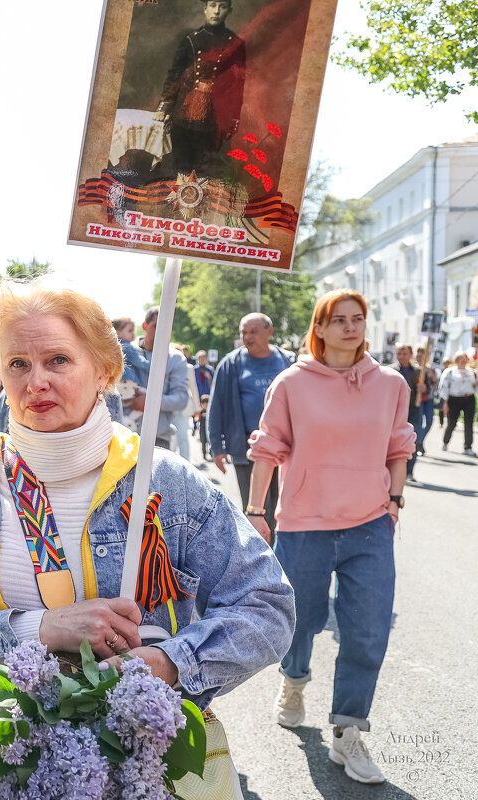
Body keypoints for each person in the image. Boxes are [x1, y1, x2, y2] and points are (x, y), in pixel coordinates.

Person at [0, 277, 294, 799]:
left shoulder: (165, 482)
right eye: (17, 364)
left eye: (58, 360)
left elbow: (267, 605)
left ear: (105, 370)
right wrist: (39, 629)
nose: (36, 382)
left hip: (147, 767)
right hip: (0, 768)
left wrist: (171, 664)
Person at [245, 289, 414, 785]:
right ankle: (293, 681)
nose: (349, 327)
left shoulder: (391, 383)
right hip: (304, 525)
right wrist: (257, 510)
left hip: (369, 524)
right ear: (318, 328)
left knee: (367, 630)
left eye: (357, 319)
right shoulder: (292, 383)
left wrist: (395, 500)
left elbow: (398, 444)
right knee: (300, 622)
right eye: (337, 320)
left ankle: (347, 731)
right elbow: (268, 448)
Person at [206, 312, 295, 531]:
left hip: (286, 447)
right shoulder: (231, 364)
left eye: (253, 332)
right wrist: (217, 446)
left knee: (285, 507)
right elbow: (216, 406)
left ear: (270, 332)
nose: (248, 337)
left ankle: (280, 556)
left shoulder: (287, 361)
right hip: (246, 448)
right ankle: (261, 559)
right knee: (255, 510)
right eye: (244, 332)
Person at [154, 0, 246, 176]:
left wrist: (233, 118)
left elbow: (238, 84)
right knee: (181, 168)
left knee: (205, 173)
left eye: (222, 6)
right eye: (212, 5)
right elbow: (175, 74)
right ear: (205, 9)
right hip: (183, 114)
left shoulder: (236, 44)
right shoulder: (190, 39)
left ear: (229, 10)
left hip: (214, 119)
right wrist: (165, 105)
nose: (217, 11)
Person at [135, 306, 190, 449]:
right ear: (145, 326)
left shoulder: (176, 359)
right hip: (123, 438)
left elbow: (181, 399)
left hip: (159, 440)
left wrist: (150, 402)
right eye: (156, 326)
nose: (161, 332)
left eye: (166, 327)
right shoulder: (124, 352)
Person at [438, 351, 477, 455]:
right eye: (461, 359)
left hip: (468, 399)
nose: (463, 361)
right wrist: (445, 402)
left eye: (465, 359)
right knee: (452, 422)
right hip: (454, 399)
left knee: (469, 423)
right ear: (457, 360)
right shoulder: (450, 372)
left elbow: (475, 387)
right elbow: (444, 387)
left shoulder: (471, 372)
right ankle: (445, 441)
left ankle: (468, 446)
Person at [393, 344, 421, 479]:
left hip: (413, 408)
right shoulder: (390, 371)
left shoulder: (418, 371)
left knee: (412, 439)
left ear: (411, 355)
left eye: (405, 354)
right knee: (395, 440)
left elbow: (428, 391)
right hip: (394, 409)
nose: (402, 357)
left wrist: (424, 388)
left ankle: (409, 471)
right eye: (399, 353)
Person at [412, 347, 436, 455]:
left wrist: (433, 379)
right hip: (418, 399)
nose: (420, 358)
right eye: (418, 355)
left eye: (422, 356)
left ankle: (420, 441)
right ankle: (418, 443)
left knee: (429, 421)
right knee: (419, 422)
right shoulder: (414, 369)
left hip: (429, 399)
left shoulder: (432, 370)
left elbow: (436, 386)